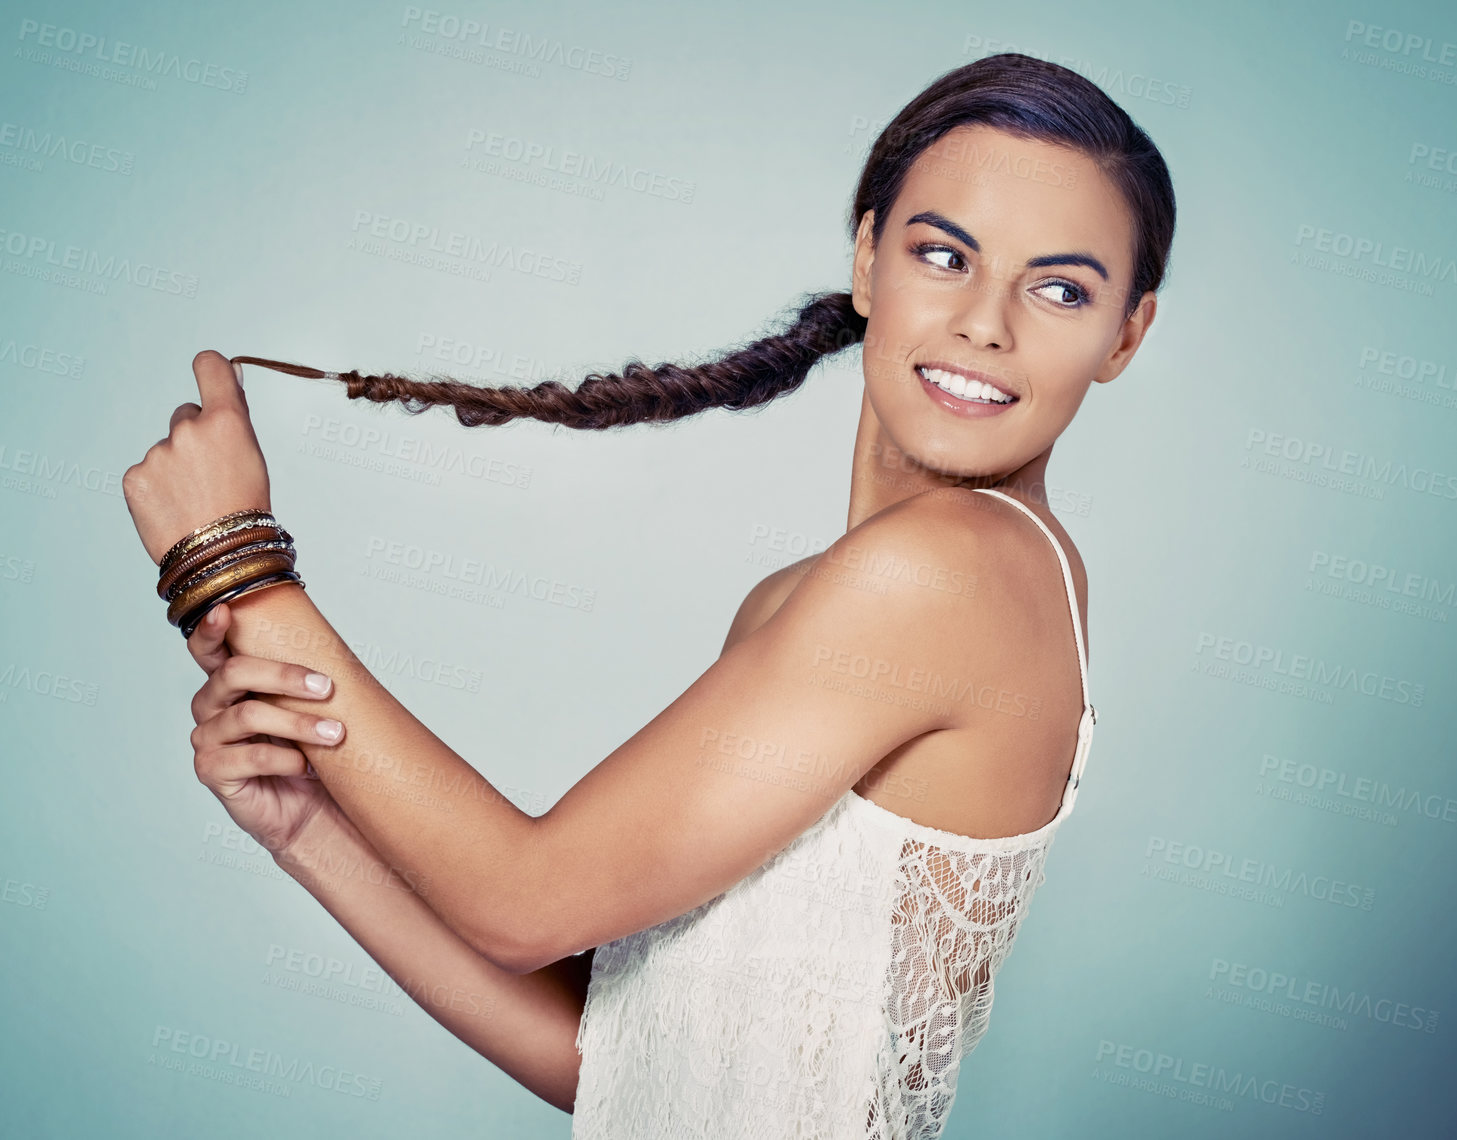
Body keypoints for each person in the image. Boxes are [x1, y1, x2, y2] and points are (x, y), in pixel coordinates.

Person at [121, 51, 1175, 1137]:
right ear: (868, 262)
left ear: (1125, 335)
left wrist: (232, 561)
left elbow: (523, 901)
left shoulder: (950, 570)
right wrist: (306, 828)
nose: (985, 324)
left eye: (1058, 288)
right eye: (943, 255)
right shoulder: (812, 599)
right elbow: (628, 1064)